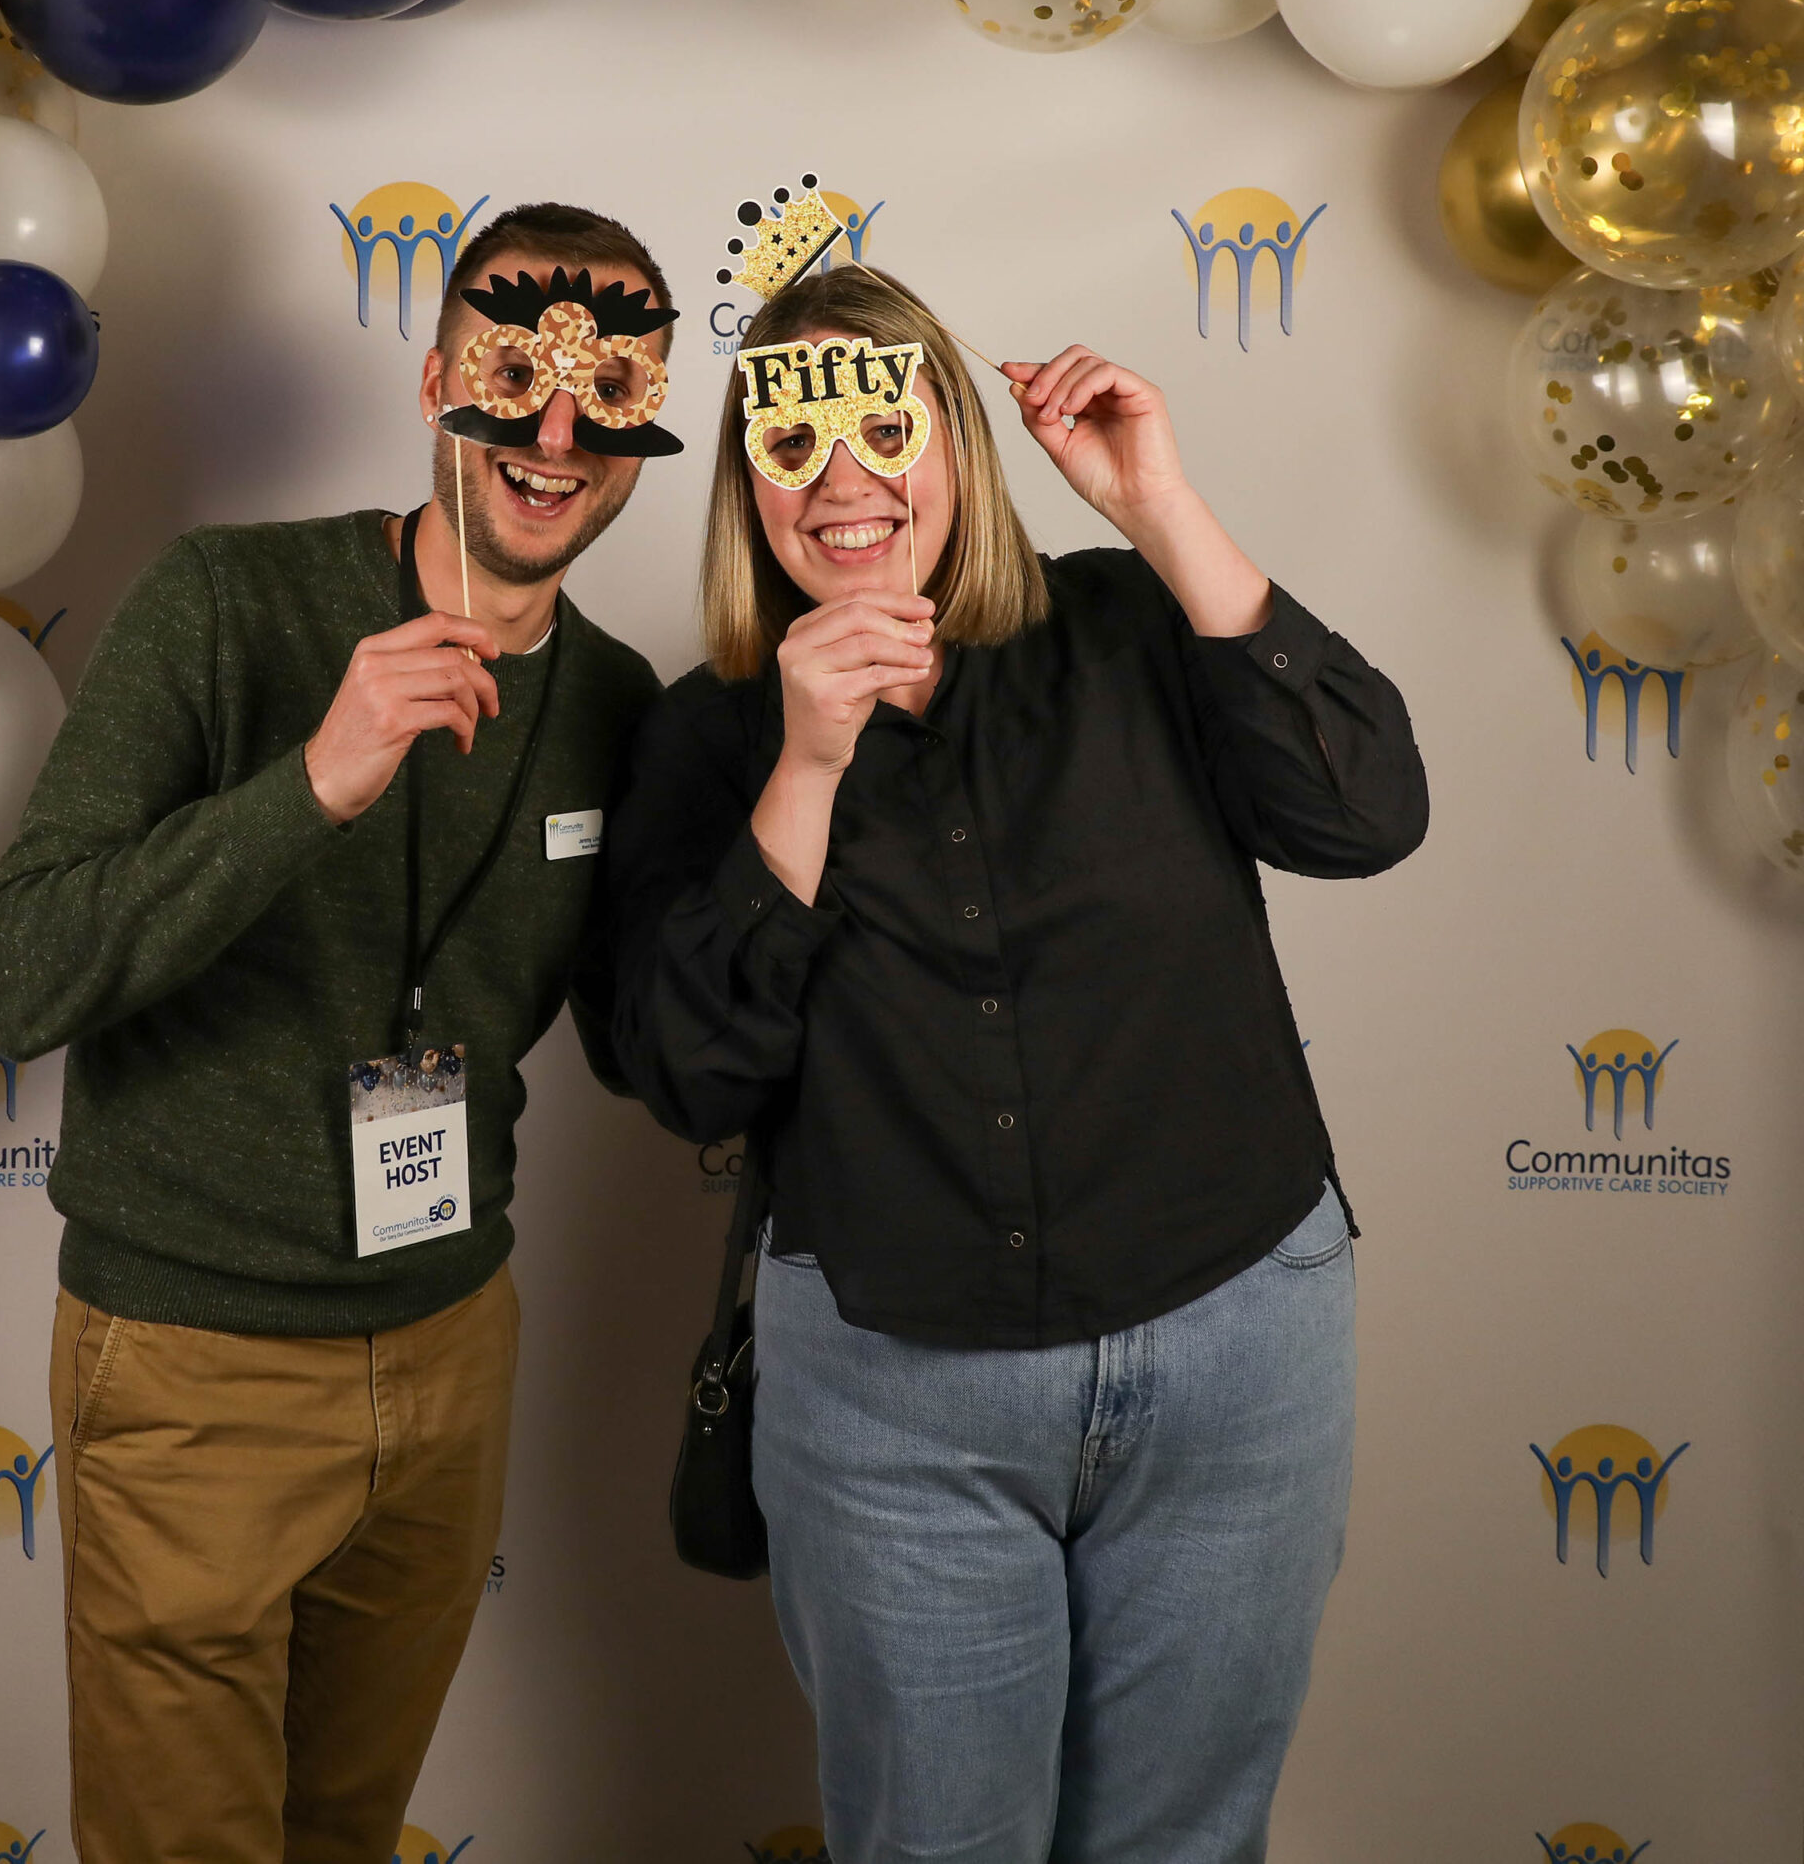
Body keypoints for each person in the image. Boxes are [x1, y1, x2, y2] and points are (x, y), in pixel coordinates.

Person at [607, 263, 1427, 1864]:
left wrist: (1160, 504)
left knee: (1183, 1844)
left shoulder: (1127, 622)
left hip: (1232, 1340)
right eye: (794, 446)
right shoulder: (705, 737)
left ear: (958, 445)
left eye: (882, 426)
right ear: (746, 486)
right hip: (897, 1393)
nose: (846, 481)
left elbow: (1369, 811)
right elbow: (689, 1073)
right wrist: (807, 767)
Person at [0, 202, 674, 1864]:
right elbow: (17, 974)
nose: (553, 436)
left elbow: (652, 1044)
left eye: (605, 395)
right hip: (195, 1365)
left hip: (448, 1349)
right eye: (513, 378)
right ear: (439, 384)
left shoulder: (618, 703)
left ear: (645, 428)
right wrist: (314, 786)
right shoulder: (227, 603)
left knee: (343, 1835)